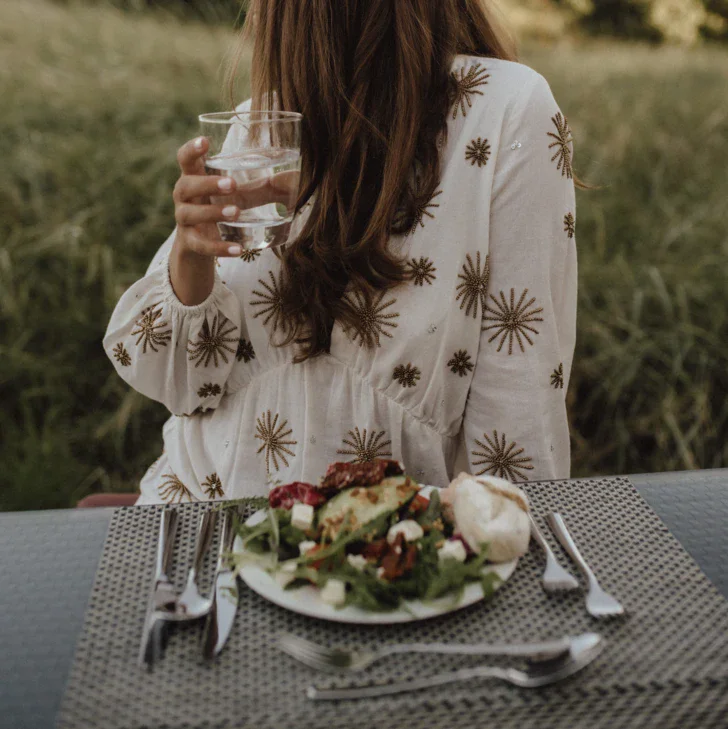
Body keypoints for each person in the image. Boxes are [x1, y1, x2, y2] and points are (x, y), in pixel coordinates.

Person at [103, 0, 584, 505]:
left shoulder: (504, 111)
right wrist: (191, 253)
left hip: (386, 554)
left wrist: (496, 549)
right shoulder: (257, 127)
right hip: (202, 526)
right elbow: (182, 386)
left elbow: (516, 420)